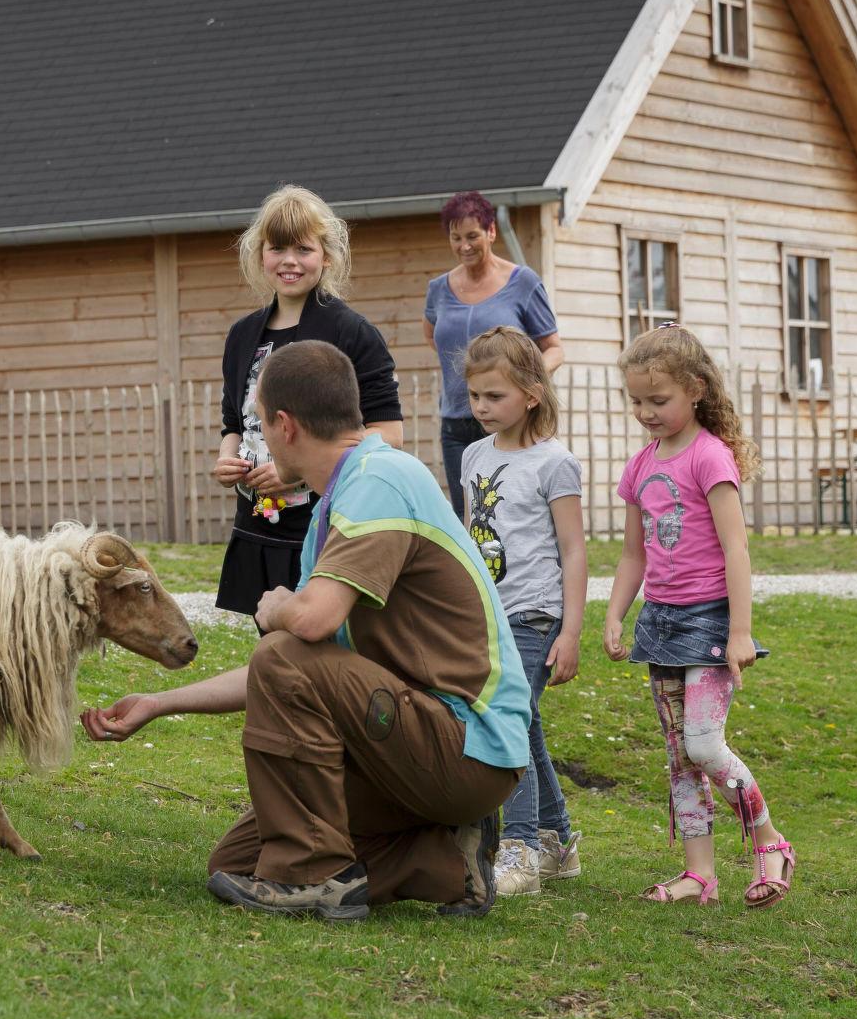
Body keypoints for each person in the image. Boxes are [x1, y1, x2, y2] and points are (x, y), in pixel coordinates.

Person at [82, 340, 532, 922]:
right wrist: (160, 703)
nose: (257, 441)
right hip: (409, 740)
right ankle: (448, 859)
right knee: (238, 861)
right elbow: (297, 669)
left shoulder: (382, 479)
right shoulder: (335, 502)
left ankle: (316, 878)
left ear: (284, 425)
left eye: (259, 426)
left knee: (283, 651)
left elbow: (305, 632)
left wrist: (276, 606)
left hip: (467, 744)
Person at [603, 325, 791, 909]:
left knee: (705, 745)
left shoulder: (711, 457)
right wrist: (615, 615)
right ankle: (699, 875)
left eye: (658, 401)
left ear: (697, 391)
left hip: (710, 623)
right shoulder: (639, 468)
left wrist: (740, 633)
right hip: (660, 624)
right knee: (680, 757)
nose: (646, 413)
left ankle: (769, 842)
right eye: (637, 401)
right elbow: (634, 553)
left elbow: (737, 549)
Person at [214, 186, 404, 618]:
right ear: (259, 254)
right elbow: (233, 423)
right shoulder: (242, 336)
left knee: (317, 642)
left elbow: (389, 436)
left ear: (327, 255)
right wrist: (227, 459)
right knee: (274, 646)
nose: (290, 261)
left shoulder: (354, 334)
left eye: (304, 248)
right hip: (258, 524)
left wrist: (297, 474)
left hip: (326, 526)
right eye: (277, 247)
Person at [456, 327, 587, 898]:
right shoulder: (472, 456)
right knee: (524, 725)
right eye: (476, 396)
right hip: (488, 613)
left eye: (495, 396)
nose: (482, 407)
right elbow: (468, 535)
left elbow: (574, 550)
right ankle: (557, 842)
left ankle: (521, 850)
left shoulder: (554, 462)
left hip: (534, 615)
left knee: (508, 724)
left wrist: (572, 632)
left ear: (532, 393)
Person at [424, 191, 563, 518]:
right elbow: (434, 338)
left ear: (491, 232)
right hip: (456, 423)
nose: (464, 246)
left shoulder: (523, 282)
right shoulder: (438, 289)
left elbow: (554, 348)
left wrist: (521, 381)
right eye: (455, 238)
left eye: (472, 236)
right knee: (469, 519)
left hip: (512, 421)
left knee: (514, 513)